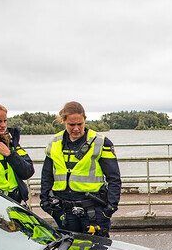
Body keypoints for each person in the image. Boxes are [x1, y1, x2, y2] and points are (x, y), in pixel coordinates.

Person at [40, 101, 121, 237]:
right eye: (71, 125)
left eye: (80, 124)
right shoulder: (54, 142)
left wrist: (110, 209)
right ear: (64, 121)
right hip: (64, 209)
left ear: (85, 120)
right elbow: (46, 175)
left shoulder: (100, 142)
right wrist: (45, 201)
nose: (76, 128)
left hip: (93, 209)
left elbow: (114, 178)